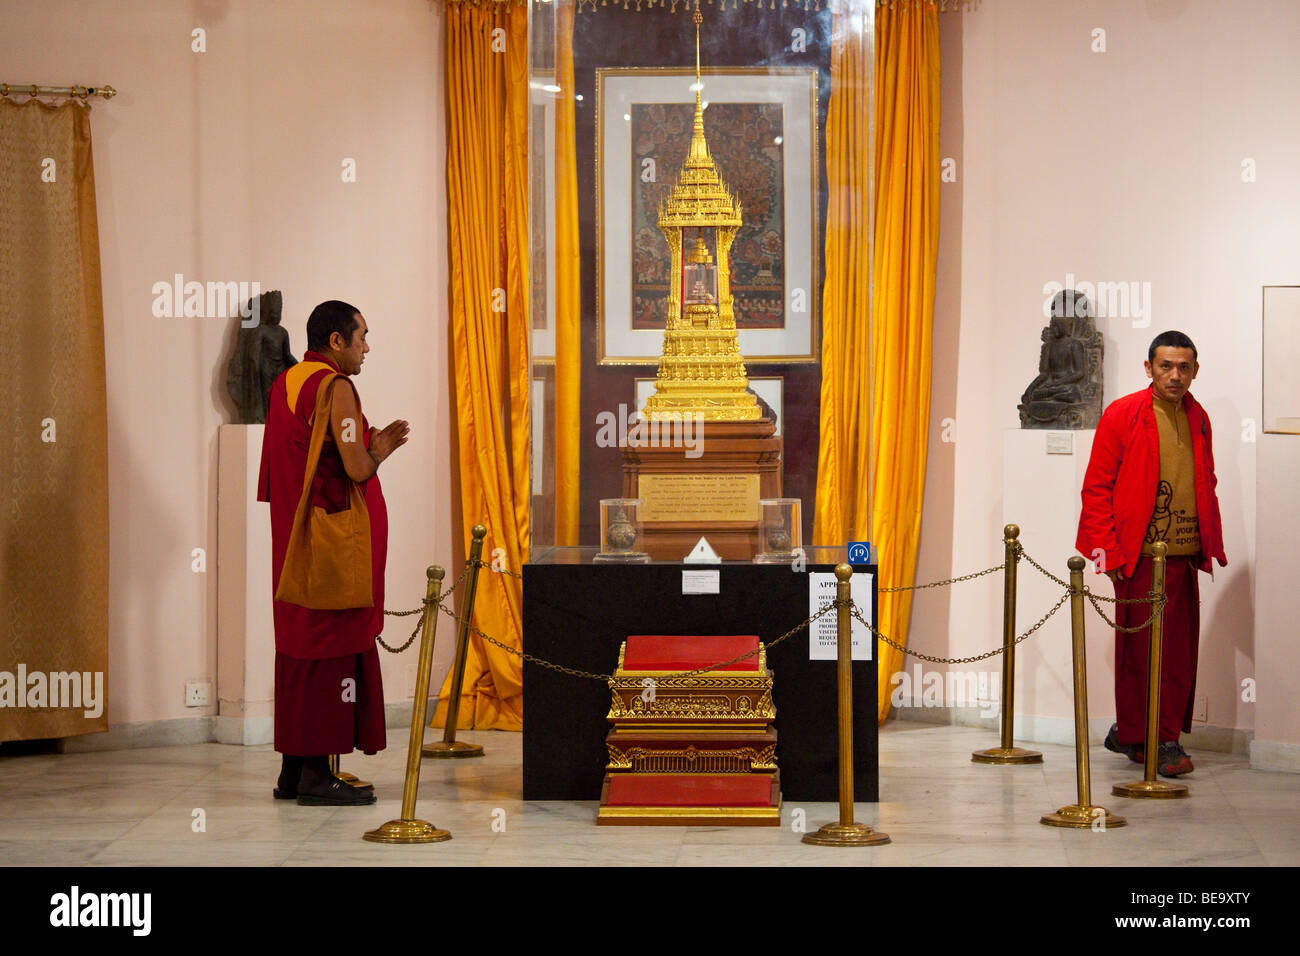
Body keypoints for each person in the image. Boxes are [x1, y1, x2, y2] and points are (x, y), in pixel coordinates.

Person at [257, 300, 410, 805]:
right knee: (330, 646)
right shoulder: (335, 386)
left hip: (295, 540)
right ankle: (318, 780)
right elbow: (357, 467)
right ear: (337, 342)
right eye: (361, 336)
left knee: (300, 646)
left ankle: (294, 771)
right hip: (334, 542)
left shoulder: (288, 382)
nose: (368, 347)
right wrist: (381, 448)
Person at [1076, 330, 1226, 777]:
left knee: (1178, 654)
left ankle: (1144, 735)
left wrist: (1210, 543)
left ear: (1195, 370)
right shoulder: (1122, 414)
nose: (1175, 375)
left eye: (1184, 367)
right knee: (1140, 652)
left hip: (1182, 556)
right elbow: (1096, 489)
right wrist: (1108, 558)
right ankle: (1150, 739)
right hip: (1136, 558)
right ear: (1149, 368)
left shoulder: (1199, 417)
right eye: (1166, 365)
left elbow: (1207, 482)